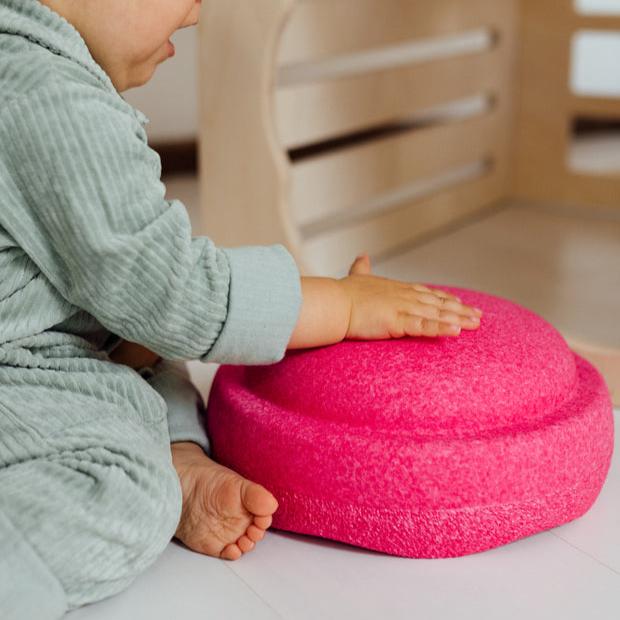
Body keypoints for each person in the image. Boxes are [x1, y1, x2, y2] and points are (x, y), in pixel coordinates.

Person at [0, 0, 483, 617]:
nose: (196, 13)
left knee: (152, 351)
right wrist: (340, 305)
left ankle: (179, 452)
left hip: (52, 342)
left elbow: (136, 305)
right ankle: (156, 476)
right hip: (20, 369)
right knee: (124, 489)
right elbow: (173, 294)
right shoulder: (50, 100)